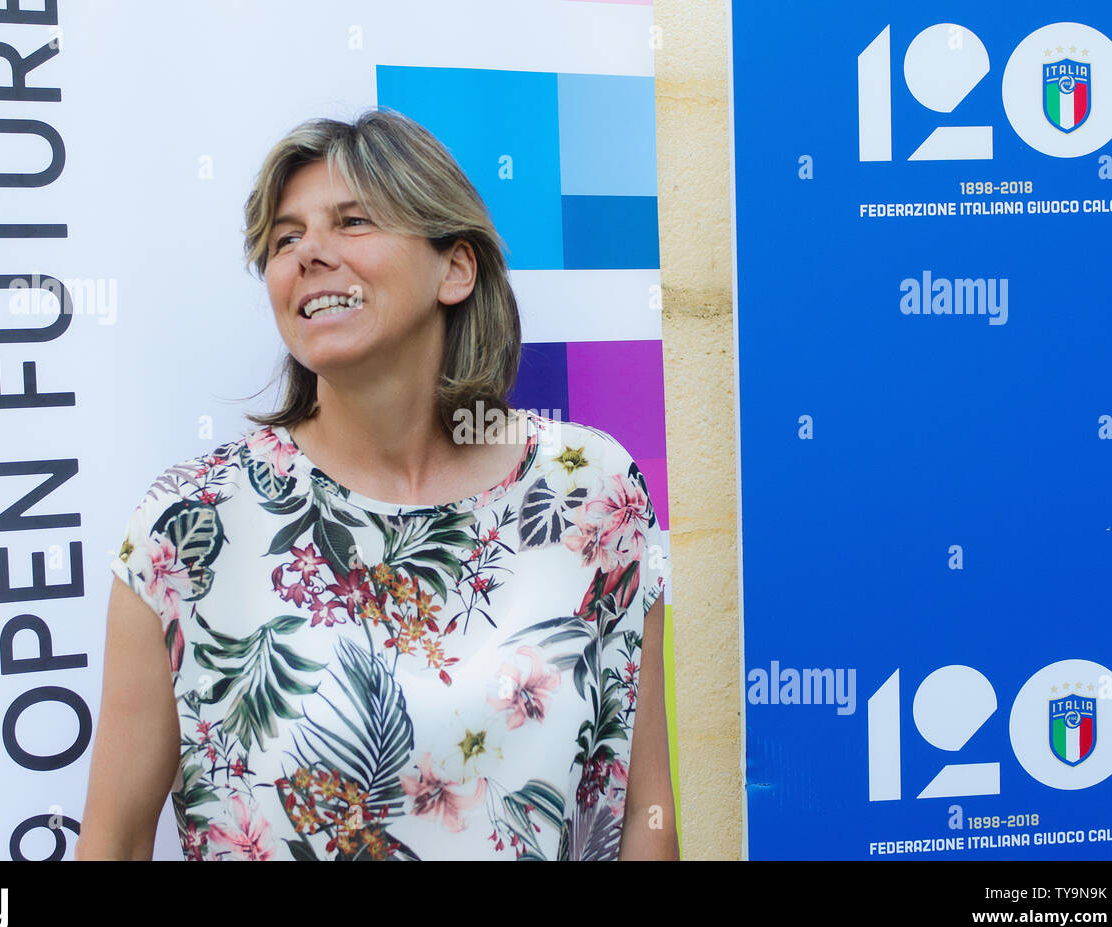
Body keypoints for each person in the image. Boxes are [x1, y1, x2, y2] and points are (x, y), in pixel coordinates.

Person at [77, 109, 677, 860]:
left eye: (352, 222)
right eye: (285, 238)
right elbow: (114, 843)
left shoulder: (593, 491)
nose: (308, 254)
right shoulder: (189, 526)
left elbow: (642, 811)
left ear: (455, 268)